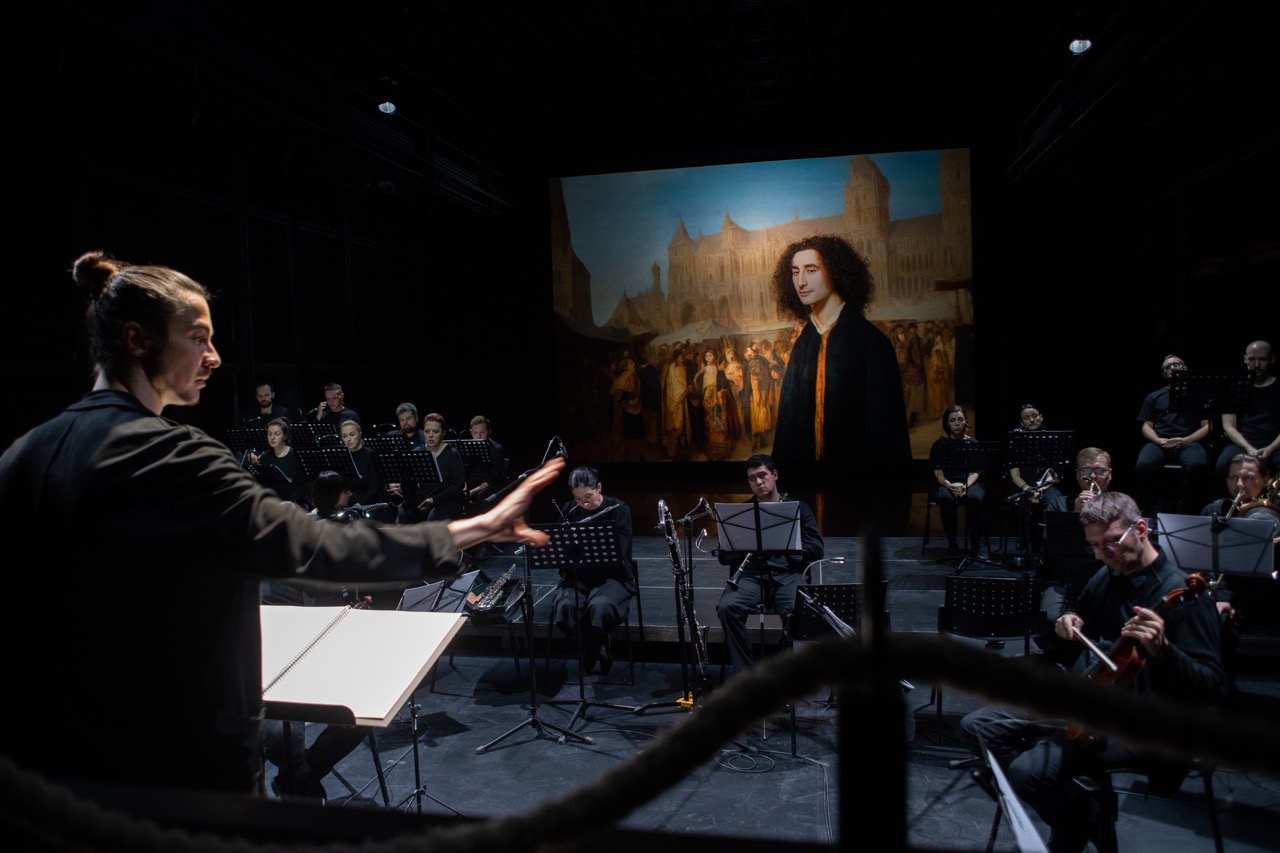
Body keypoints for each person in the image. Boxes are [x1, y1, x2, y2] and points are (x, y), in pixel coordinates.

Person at [0, 251, 564, 794]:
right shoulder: (175, 458)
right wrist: (478, 527)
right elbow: (314, 547)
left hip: (61, 771)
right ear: (135, 339)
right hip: (185, 772)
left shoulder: (23, 456)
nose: (214, 356)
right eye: (198, 337)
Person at [959, 491, 1227, 853]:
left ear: (1141, 529)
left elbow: (1212, 687)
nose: (1103, 554)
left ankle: (1073, 823)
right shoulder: (1107, 576)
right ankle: (1084, 816)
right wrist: (1066, 624)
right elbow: (1077, 631)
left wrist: (1165, 652)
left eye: (1111, 542)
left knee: (1027, 773)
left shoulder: (1185, 598)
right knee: (978, 727)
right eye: (1095, 546)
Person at [769, 234, 909, 471]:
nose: (800, 282)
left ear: (835, 271)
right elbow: (787, 430)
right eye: (795, 272)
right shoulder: (803, 345)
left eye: (811, 270)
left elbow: (887, 433)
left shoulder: (871, 342)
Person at [715, 453, 824, 676]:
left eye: (762, 475)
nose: (758, 482)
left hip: (788, 576)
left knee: (796, 610)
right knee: (727, 607)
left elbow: (816, 549)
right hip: (751, 577)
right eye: (752, 478)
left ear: (775, 475)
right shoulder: (741, 514)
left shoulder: (798, 508)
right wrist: (740, 546)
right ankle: (746, 676)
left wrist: (786, 544)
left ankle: (780, 673)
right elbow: (724, 557)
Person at [551, 465, 635, 675]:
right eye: (578, 499)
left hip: (611, 577)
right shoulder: (569, 510)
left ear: (599, 487)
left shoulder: (619, 510)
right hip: (578, 576)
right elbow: (561, 552)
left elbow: (620, 552)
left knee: (600, 606)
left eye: (588, 497)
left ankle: (589, 649)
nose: (583, 504)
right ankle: (597, 647)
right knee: (565, 607)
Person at [1135, 354, 1210, 514]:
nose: (1172, 368)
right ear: (1164, 374)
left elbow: (1207, 426)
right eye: (1167, 367)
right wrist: (1159, 440)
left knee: (1199, 465)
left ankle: (1186, 508)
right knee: (1143, 465)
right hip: (1160, 442)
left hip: (1188, 442)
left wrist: (1186, 440)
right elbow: (1146, 426)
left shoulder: (1198, 395)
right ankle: (1156, 505)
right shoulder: (1154, 396)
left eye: (1176, 365)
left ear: (1185, 368)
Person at [1217, 340, 1280, 479]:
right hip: (1242, 444)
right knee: (1222, 465)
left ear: (1271, 359)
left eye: (1262, 359)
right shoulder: (1234, 387)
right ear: (1245, 359)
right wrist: (1248, 448)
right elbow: (1228, 426)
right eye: (1252, 359)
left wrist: (1270, 449)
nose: (1256, 365)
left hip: (1275, 445)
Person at [929, 405, 985, 556]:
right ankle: (952, 543)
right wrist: (948, 485)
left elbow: (976, 471)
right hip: (946, 483)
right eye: (953, 420)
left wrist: (966, 486)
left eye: (960, 419)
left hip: (970, 482)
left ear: (966, 421)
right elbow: (937, 471)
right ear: (947, 424)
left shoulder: (973, 444)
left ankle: (975, 543)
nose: (957, 423)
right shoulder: (940, 445)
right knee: (946, 499)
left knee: (974, 498)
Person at [392, 412, 466, 523]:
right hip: (422, 500)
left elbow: (457, 486)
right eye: (427, 431)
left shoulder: (452, 454)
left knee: (435, 516)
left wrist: (433, 500)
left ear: (443, 433)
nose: (430, 435)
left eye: (435, 432)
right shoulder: (417, 452)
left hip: (445, 501)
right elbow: (411, 483)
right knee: (402, 514)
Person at [247, 416, 308, 504]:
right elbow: (264, 484)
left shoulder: (296, 455)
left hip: (294, 503)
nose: (272, 437)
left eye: (277, 434)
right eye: (269, 434)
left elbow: (304, 485)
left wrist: (291, 501)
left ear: (285, 436)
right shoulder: (265, 457)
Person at [338, 418, 382, 507]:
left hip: (366, 502)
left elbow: (375, 487)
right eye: (344, 436)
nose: (348, 439)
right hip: (345, 502)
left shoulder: (370, 455)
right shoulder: (341, 456)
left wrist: (359, 504)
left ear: (360, 434)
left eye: (352, 434)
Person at [465, 415, 507, 502]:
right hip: (472, 485)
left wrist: (472, 491)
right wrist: (464, 488)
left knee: (482, 497)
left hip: (489, 487)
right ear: (471, 432)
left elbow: (495, 478)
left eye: (482, 432)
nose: (478, 436)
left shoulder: (497, 449)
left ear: (489, 431)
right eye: (475, 433)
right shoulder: (468, 448)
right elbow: (464, 471)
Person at [1068, 446, 1113, 513]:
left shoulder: (1123, 505)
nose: (1092, 476)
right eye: (1086, 470)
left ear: (1110, 474)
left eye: (1100, 470)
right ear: (1077, 475)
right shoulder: (1058, 504)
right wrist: (1077, 512)